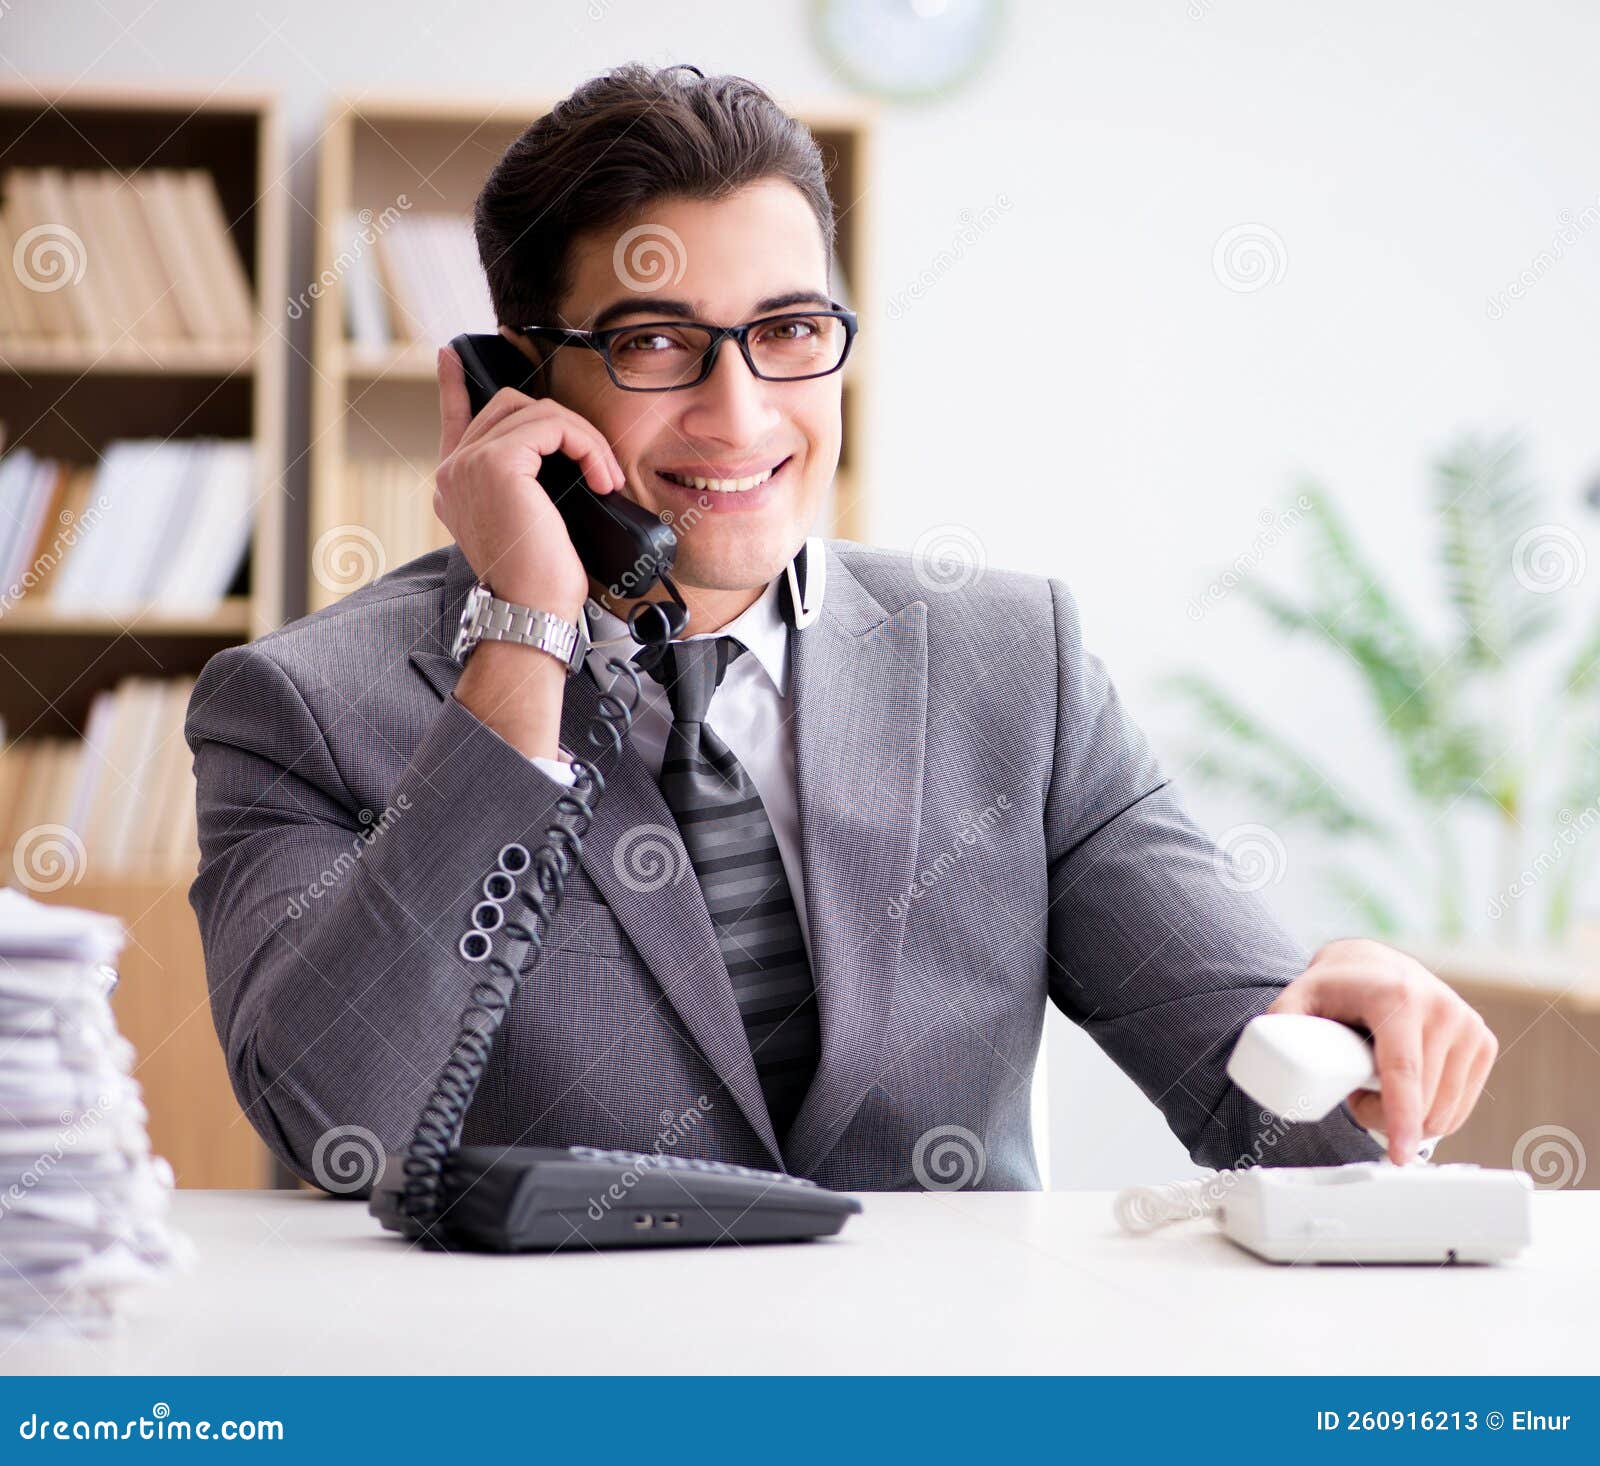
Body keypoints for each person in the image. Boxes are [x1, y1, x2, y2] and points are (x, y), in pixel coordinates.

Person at [184, 63, 1496, 1195]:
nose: (742, 417)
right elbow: (333, 1123)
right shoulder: (308, 707)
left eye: (790, 332)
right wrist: (523, 632)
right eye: (655, 343)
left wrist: (1360, 1022)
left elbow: (1272, 1114)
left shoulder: (1010, 665)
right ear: (515, 387)